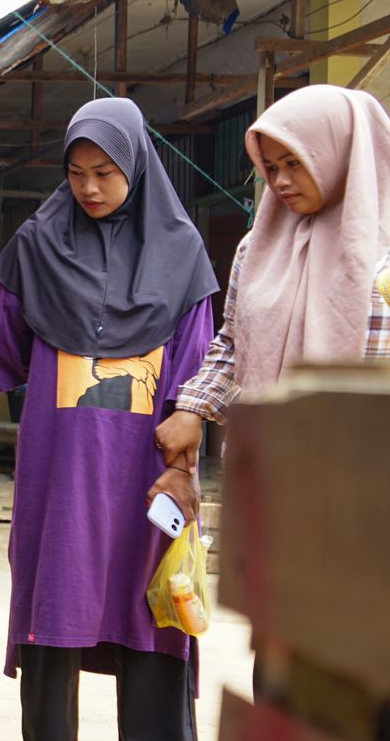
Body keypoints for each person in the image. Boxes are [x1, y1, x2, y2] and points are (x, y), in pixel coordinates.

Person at [0, 97, 219, 741]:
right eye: (78, 172)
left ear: (138, 169)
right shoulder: (37, 243)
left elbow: (200, 360)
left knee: (156, 589)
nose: (89, 188)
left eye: (106, 173)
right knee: (61, 580)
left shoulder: (180, 254)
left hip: (154, 458)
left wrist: (187, 419)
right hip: (63, 459)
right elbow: (2, 343)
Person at [154, 84, 390, 512]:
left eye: (295, 163)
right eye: (271, 166)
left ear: (339, 154)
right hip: (267, 469)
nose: (279, 181)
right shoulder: (257, 249)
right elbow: (233, 342)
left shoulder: (384, 255)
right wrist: (192, 408)